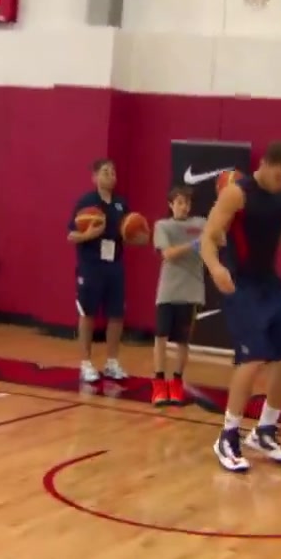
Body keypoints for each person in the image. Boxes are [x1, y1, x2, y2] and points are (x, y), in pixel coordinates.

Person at [200, 141, 281, 473]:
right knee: (253, 357)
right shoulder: (236, 194)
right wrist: (215, 268)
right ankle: (227, 436)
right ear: (266, 164)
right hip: (240, 284)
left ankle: (264, 430)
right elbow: (208, 236)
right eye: (279, 174)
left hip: (269, 284)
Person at [66, 159, 148, 384]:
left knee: (116, 314)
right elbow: (71, 235)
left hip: (115, 265)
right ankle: (85, 363)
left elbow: (128, 236)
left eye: (113, 172)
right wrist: (88, 235)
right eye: (105, 172)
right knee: (88, 313)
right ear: (94, 177)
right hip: (91, 265)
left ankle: (112, 362)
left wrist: (139, 238)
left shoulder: (121, 204)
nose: (110, 175)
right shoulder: (86, 202)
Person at [151, 186, 206, 406]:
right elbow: (168, 254)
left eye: (187, 203)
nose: (184, 207)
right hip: (168, 290)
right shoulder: (163, 226)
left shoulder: (200, 224)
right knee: (161, 337)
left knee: (183, 341)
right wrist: (194, 244)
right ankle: (158, 383)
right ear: (171, 205)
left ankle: (176, 382)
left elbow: (218, 239)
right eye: (180, 202)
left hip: (191, 291)